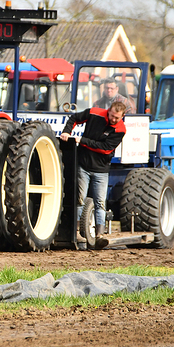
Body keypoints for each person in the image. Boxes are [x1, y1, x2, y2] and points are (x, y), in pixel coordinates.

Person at [60, 101, 127, 249]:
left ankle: (99, 235)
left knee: (100, 203)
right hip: (83, 165)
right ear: (108, 111)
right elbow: (74, 118)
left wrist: (82, 141)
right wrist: (67, 132)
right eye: (112, 116)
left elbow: (105, 149)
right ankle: (77, 232)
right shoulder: (94, 113)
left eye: (117, 118)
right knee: (79, 199)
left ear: (123, 116)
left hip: (101, 170)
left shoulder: (120, 129)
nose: (114, 120)